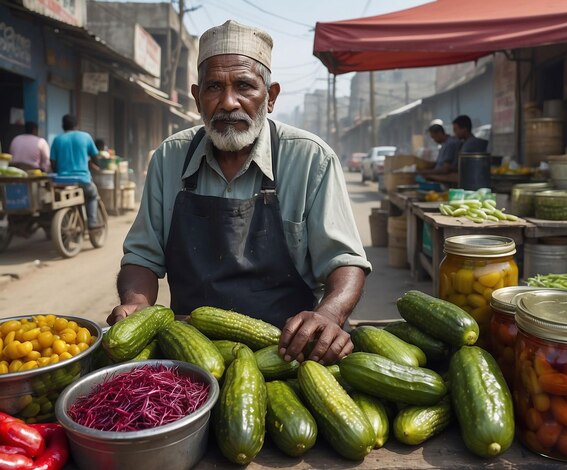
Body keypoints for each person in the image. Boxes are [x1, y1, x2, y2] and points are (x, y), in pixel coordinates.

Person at [109, 20, 371, 365]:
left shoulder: (310, 158)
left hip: (289, 350)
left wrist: (330, 314)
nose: (229, 102)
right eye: (214, 86)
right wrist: (137, 305)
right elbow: (142, 258)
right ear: (197, 97)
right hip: (193, 352)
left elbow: (345, 262)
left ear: (271, 96)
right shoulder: (170, 157)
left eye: (244, 86)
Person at [50, 115, 102, 230]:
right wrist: (97, 165)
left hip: (62, 182)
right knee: (93, 195)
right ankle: (92, 222)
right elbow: (95, 156)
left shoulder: (57, 139)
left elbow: (53, 163)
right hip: (82, 179)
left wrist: (60, 173)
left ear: (63, 126)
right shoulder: (85, 136)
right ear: (76, 125)